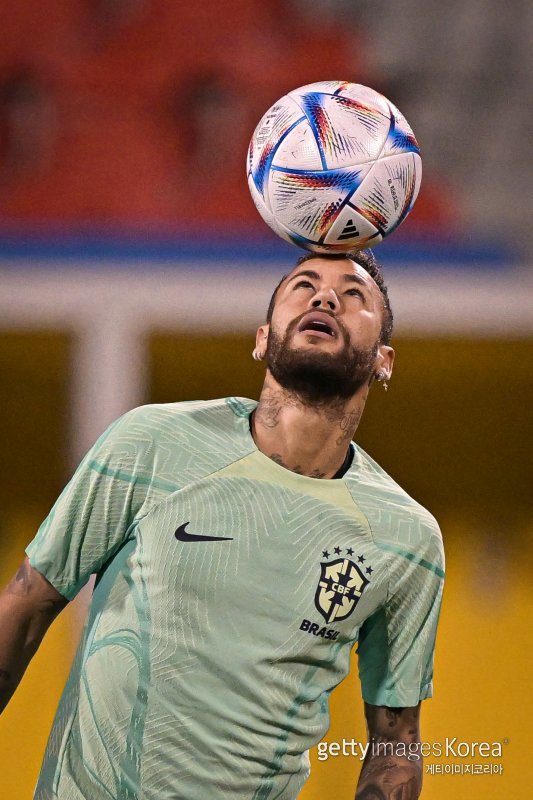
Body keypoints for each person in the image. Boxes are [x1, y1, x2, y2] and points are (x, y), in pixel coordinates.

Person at [0, 249, 444, 800]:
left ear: (384, 361)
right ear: (263, 338)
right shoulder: (149, 442)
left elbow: (396, 741)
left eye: (353, 295)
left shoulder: (407, 538)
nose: (326, 297)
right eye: (304, 286)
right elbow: (26, 606)